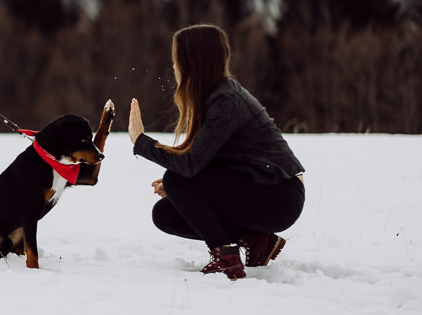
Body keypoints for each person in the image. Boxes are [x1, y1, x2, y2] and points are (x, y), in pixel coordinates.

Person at [127, 24, 304, 280]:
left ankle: (226, 258)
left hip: (280, 196)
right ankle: (257, 241)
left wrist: (141, 142)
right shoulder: (216, 98)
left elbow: (189, 165)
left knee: (176, 178)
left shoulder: (226, 101)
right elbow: (203, 160)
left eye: (177, 60)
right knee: (166, 214)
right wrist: (187, 185)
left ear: (192, 63)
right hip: (263, 188)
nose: (174, 67)